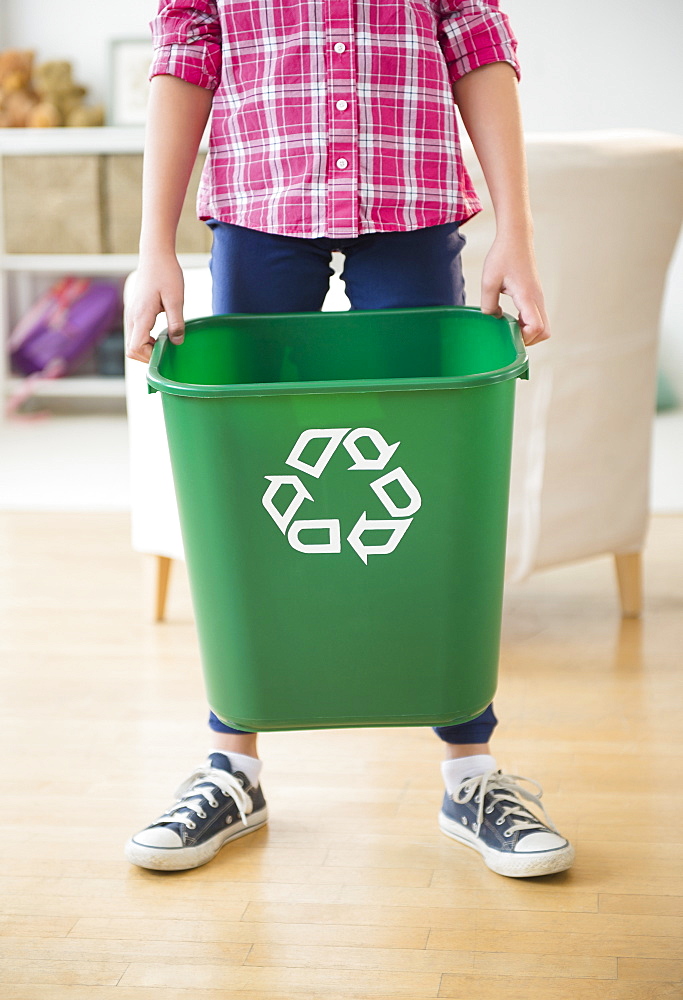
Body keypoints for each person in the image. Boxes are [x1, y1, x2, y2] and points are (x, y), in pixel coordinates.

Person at [124, 0, 574, 879]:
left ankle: (470, 768)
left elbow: (475, 39)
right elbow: (186, 51)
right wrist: (154, 247)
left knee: (434, 473)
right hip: (260, 202)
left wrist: (514, 231)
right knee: (246, 478)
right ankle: (233, 762)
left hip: (410, 200)